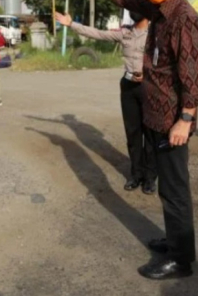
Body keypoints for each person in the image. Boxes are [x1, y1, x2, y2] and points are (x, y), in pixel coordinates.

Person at [76, 0, 198, 280]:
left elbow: (194, 76)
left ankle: (181, 261)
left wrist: (186, 119)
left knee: (175, 190)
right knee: (167, 189)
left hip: (172, 120)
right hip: (156, 113)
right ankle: (174, 240)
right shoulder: (159, 9)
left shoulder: (184, 19)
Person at [54, 11, 157, 194]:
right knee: (133, 133)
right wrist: (71, 24)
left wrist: (151, 76)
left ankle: (150, 178)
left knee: (150, 134)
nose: (132, 11)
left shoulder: (156, 33)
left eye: (136, 7)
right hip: (128, 86)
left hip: (149, 87)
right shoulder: (125, 33)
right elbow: (98, 33)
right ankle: (136, 174)